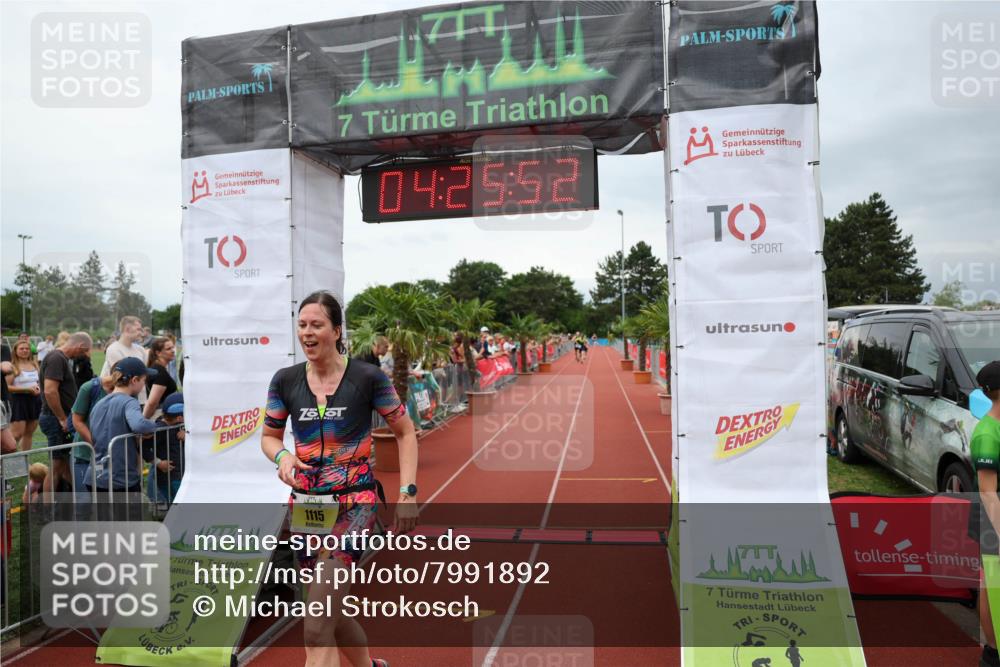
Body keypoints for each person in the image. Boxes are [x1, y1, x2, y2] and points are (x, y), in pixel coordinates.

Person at [260, 291, 418, 667]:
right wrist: (283, 457)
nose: (307, 332)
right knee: (330, 611)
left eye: (316, 325)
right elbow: (269, 437)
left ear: (336, 331)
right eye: (302, 325)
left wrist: (408, 494)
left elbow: (406, 432)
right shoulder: (285, 381)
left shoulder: (367, 378)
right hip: (308, 507)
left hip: (354, 504)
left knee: (315, 627)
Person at [87, 357, 159, 496]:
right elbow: (139, 425)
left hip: (96, 476)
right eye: (144, 380)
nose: (144, 385)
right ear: (134, 380)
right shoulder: (129, 402)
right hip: (120, 478)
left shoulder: (100, 403)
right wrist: (155, 425)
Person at [39, 332, 92, 497]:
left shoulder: (61, 358)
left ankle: (80, 498)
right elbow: (50, 391)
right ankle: (47, 508)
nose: (84, 355)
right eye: (84, 351)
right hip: (55, 419)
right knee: (56, 467)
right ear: (80, 346)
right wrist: (62, 418)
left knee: (64, 465)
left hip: (59, 418)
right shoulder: (56, 358)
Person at [973, 360, 1000, 667]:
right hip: (993, 517)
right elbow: (987, 490)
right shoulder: (987, 433)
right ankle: (992, 651)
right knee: (992, 585)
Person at [144, 393, 185, 506]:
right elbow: (143, 447)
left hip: (180, 474)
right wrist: (158, 462)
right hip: (170, 478)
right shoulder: (159, 429)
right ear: (179, 418)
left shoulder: (178, 425)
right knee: (179, 506)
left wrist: (187, 436)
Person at [100, 316, 149, 406]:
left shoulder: (141, 350)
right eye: (138, 329)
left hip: (141, 401)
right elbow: (123, 378)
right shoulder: (113, 349)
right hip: (123, 402)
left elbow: (144, 374)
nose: (141, 333)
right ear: (127, 329)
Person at [8, 340, 42, 451]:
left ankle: (25, 458)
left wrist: (39, 388)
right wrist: (27, 389)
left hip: (34, 401)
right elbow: (6, 387)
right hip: (18, 402)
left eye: (27, 349)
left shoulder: (34, 364)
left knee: (29, 433)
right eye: (21, 349)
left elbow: (39, 382)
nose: (24, 351)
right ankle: (6, 458)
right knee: (17, 434)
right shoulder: (12, 366)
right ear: (15, 351)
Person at [144, 337, 178, 418]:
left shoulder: (157, 368)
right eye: (168, 349)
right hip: (158, 416)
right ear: (158, 353)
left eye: (173, 347)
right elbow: (152, 402)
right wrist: (144, 419)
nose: (173, 351)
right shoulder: (160, 371)